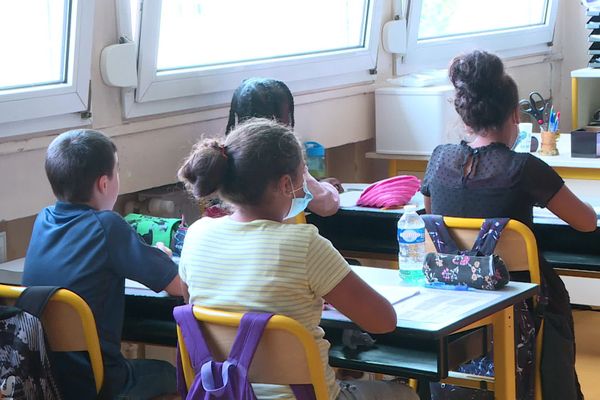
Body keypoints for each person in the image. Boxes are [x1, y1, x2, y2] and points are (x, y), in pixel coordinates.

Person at [177, 118, 419, 400]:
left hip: (226, 393)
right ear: (285, 184)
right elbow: (383, 321)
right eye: (303, 176)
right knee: (403, 394)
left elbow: (191, 300)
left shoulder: (197, 235)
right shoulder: (304, 245)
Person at [421, 50, 596, 400]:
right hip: (518, 302)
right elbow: (587, 222)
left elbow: (429, 218)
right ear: (516, 113)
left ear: (465, 117)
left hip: (454, 300)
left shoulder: (440, 160)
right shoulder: (523, 168)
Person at [23, 129, 183, 400]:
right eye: (117, 172)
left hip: (45, 377)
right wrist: (161, 257)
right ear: (104, 184)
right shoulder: (107, 226)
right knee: (174, 373)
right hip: (100, 382)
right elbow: (178, 286)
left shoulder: (43, 219)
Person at [225, 77, 342, 217]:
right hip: (282, 235)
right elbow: (326, 204)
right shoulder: (282, 155)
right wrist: (328, 188)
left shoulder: (226, 154)